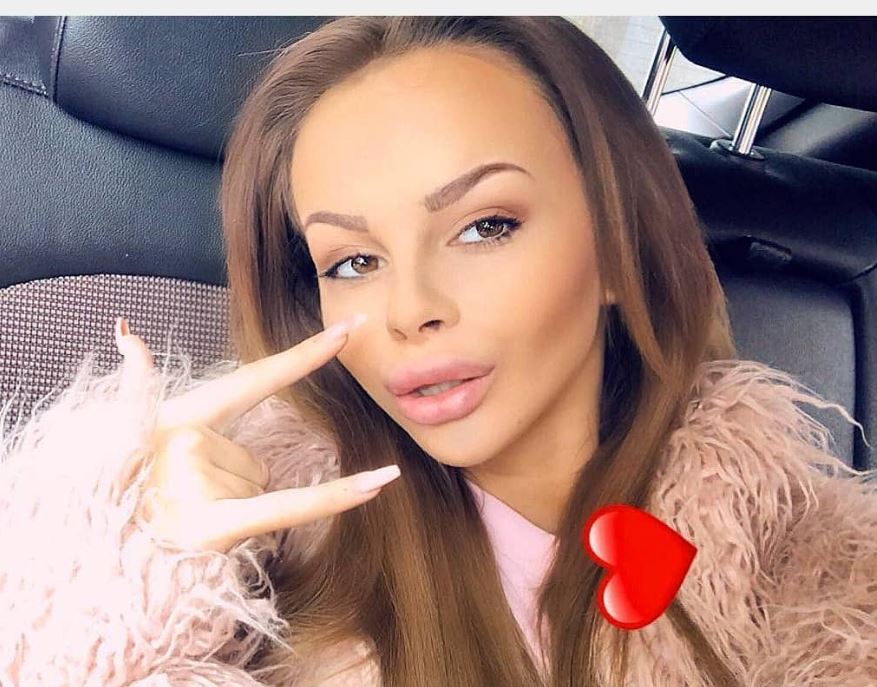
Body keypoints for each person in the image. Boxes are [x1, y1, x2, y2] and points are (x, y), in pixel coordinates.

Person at [2, 15, 876, 687]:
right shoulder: (257, 564)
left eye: (484, 225)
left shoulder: (824, 574)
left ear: (617, 244)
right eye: (352, 261)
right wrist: (129, 582)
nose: (410, 309)